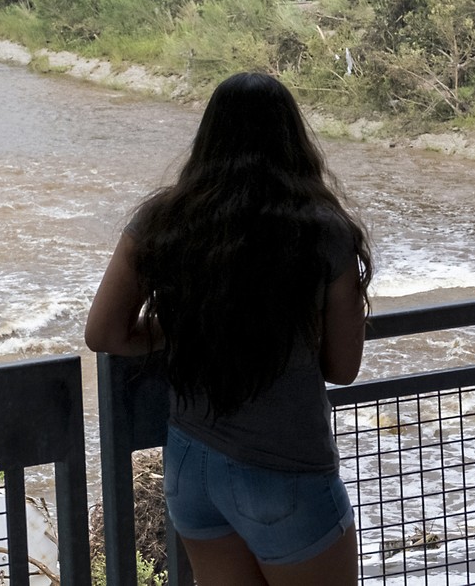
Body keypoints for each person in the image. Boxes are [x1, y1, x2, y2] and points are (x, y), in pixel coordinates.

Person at [85, 72, 372, 586]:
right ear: (293, 139)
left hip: (192, 468)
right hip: (287, 468)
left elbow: (105, 334)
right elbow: (343, 367)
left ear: (208, 136)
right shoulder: (324, 231)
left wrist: (185, 324)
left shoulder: (163, 219)